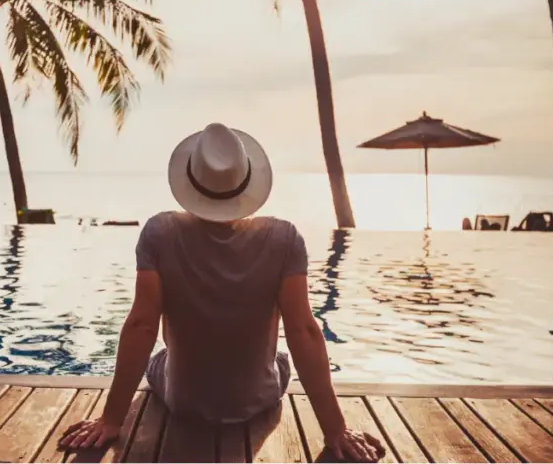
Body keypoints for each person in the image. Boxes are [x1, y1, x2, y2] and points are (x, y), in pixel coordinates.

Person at [59, 123, 385, 462]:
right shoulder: (284, 239)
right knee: (282, 359)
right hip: (257, 399)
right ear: (246, 183)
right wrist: (336, 430)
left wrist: (111, 419)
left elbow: (142, 325)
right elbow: (303, 331)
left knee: (160, 358)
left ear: (190, 180)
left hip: (182, 400)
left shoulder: (160, 232)